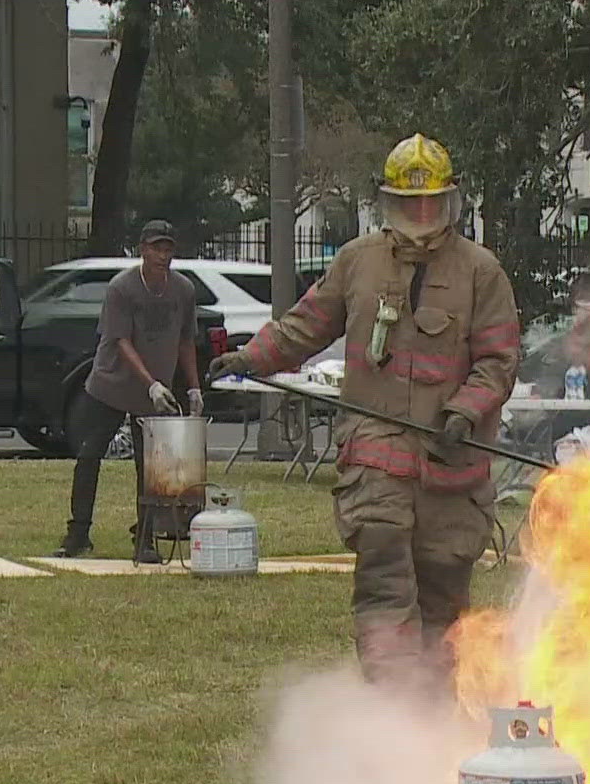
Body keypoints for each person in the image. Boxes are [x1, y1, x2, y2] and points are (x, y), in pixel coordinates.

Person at [212, 134, 521, 698]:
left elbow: (499, 362)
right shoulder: (358, 262)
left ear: (450, 202)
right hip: (375, 462)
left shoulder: (481, 272)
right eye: (410, 204)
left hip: (452, 470)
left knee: (444, 606)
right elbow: (304, 327)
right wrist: (249, 357)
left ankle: (435, 714)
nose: (421, 216)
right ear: (389, 203)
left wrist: (464, 412)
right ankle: (389, 708)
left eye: (431, 204)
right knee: (383, 586)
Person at [54, 219, 203, 563]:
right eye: (156, 248)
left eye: (167, 249)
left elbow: (185, 340)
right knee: (89, 455)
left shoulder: (183, 290)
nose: (162, 255)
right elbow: (120, 340)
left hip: (157, 391)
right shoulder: (122, 288)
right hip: (111, 385)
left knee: (151, 467)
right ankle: (77, 534)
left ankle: (146, 537)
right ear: (142, 250)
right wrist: (149, 383)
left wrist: (193, 387)